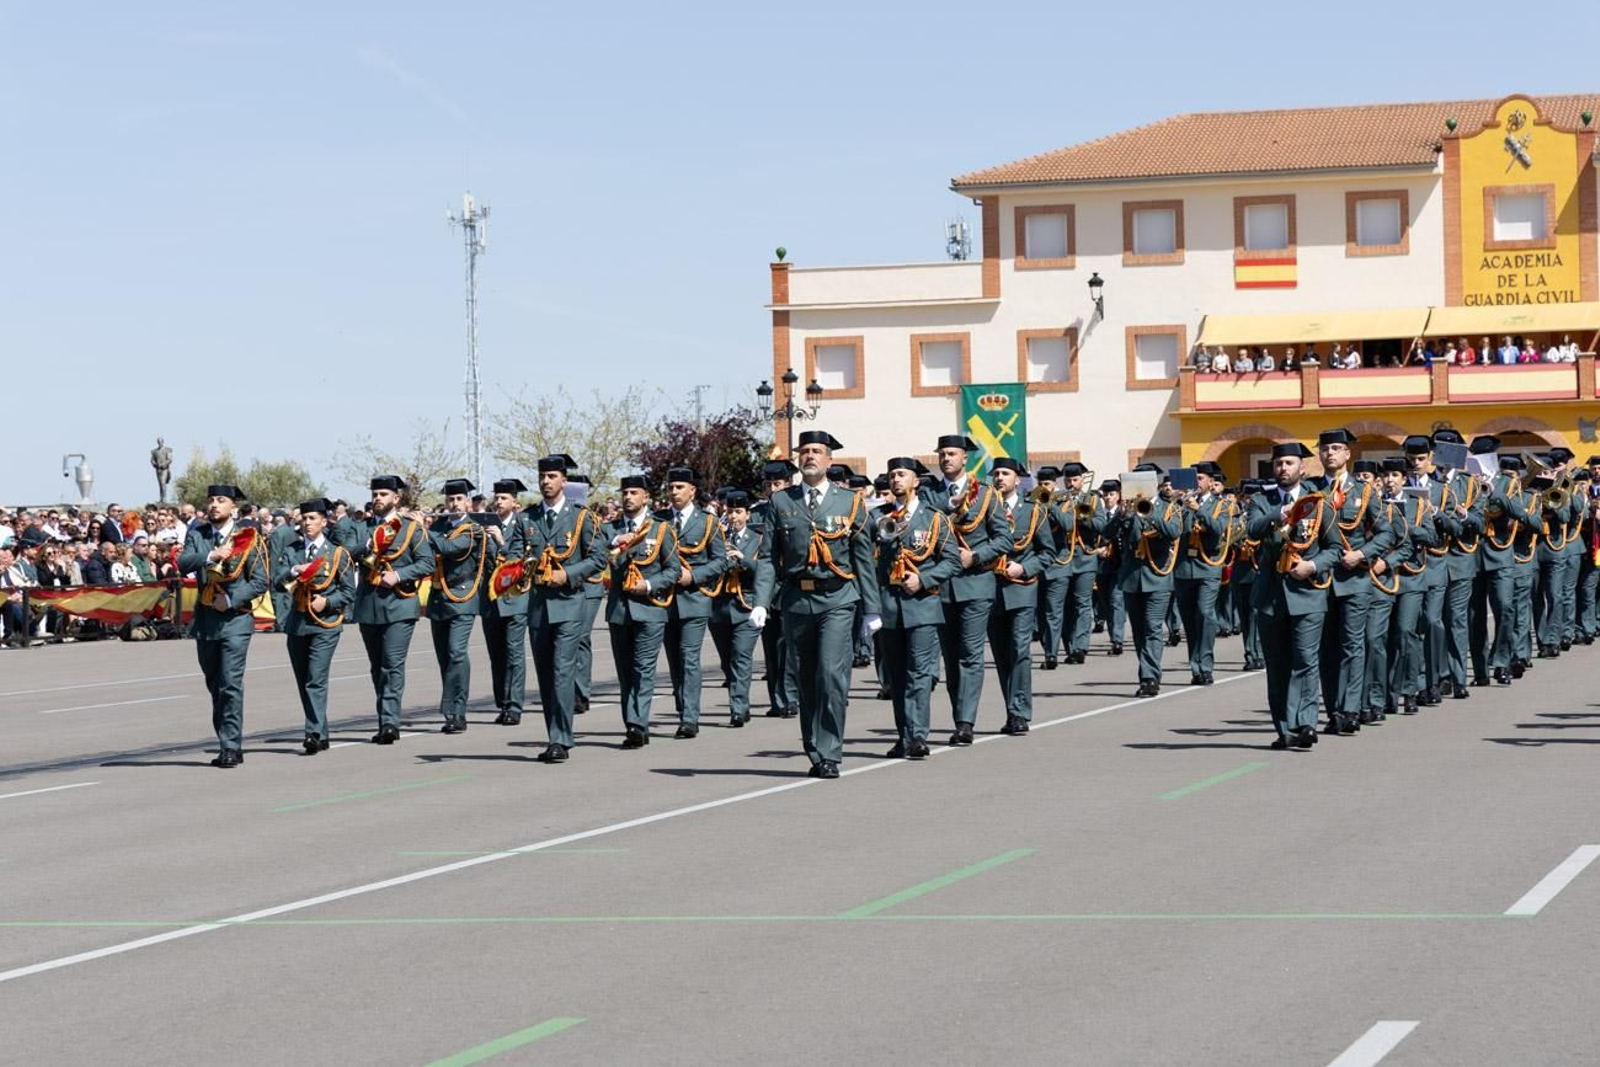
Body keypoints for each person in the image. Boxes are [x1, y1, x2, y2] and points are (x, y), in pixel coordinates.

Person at [753, 430, 881, 778]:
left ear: (829, 460)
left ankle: (830, 752)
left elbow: (863, 559)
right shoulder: (781, 502)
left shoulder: (848, 502)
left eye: (817, 451)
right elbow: (767, 557)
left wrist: (872, 607)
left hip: (838, 597)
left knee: (830, 674)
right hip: (796, 599)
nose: (810, 456)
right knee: (806, 678)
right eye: (805, 451)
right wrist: (761, 601)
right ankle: (814, 747)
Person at [1249, 443, 1340, 749]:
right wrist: (1280, 513)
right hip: (1271, 597)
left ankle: (1306, 725)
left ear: (1302, 468)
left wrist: (1313, 565)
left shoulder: (1319, 503)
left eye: (1289, 463)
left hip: (1308, 594)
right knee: (1277, 665)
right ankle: (1285, 728)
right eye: (1278, 464)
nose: (1283, 469)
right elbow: (1252, 529)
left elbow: (1335, 548)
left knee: (1306, 660)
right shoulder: (1262, 501)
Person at [922, 434, 1009, 744]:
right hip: (941, 586)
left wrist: (976, 556)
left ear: (965, 459)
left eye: (952, 454)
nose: (946, 459)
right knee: (950, 655)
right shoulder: (928, 494)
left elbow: (1003, 539)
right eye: (942, 454)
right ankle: (960, 712)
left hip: (976, 585)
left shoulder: (985, 495)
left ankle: (965, 721)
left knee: (970, 655)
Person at [520, 457, 607, 761]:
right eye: (542, 476)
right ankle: (553, 734)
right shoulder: (527, 518)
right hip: (538, 607)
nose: (546, 481)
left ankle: (561, 739)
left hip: (570, 604)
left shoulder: (581, 517)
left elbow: (598, 558)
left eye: (552, 476)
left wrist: (567, 574)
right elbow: (512, 556)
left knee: (561, 670)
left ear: (563, 482)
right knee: (545, 675)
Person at [872, 458, 960, 758]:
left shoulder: (934, 518)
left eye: (902, 475)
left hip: (922, 605)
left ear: (916, 480)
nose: (895, 480)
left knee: (919, 674)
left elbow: (951, 561)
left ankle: (918, 736)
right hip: (889, 606)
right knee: (896, 676)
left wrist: (923, 579)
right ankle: (904, 735)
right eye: (891, 475)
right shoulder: (878, 517)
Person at [177, 484, 269, 768]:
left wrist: (230, 600)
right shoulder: (198, 535)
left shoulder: (248, 538)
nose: (214, 505)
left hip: (236, 620)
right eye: (211, 500)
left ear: (233, 508)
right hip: (206, 622)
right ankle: (230, 740)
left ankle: (229, 745)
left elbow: (260, 580)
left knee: (230, 684)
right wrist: (212, 555)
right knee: (215, 684)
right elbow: (183, 563)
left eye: (221, 500)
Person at [1312, 428, 1396, 735]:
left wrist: (1362, 553)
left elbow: (1387, 532)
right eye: (1325, 449)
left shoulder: (1364, 491)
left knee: (1353, 645)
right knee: (1326, 649)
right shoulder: (1311, 490)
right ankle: (1334, 708)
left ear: (1348, 454)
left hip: (1354, 578)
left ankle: (1349, 710)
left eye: (1336, 448)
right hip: (1320, 580)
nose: (1330, 453)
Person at [346, 475, 436, 745]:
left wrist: (399, 575)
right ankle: (384, 715)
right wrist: (367, 546)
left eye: (384, 494)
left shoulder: (410, 529)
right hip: (369, 604)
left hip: (399, 605)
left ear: (396, 499)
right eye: (375, 494)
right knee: (377, 667)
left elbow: (426, 564)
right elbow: (343, 553)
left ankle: (389, 723)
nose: (377, 499)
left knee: (392, 665)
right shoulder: (362, 528)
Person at [604, 474, 682, 749]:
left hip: (650, 608)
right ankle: (632, 722)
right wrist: (614, 545)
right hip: (619, 610)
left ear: (645, 497)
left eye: (634, 493)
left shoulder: (661, 529)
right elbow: (600, 561)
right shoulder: (610, 530)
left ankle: (638, 724)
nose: (628, 498)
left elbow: (673, 570)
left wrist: (650, 584)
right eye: (625, 493)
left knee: (643, 669)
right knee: (625, 672)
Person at [276, 498, 356, 754]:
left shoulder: (336, 553)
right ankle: (321, 733)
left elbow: (348, 592)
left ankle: (312, 732)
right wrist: (291, 572)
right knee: (304, 681)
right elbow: (276, 580)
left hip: (325, 625)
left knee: (315, 679)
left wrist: (328, 601)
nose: (307, 523)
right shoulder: (293, 551)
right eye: (304, 518)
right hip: (298, 624)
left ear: (324, 521)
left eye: (313, 518)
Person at [659, 465, 730, 740]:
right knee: (674, 660)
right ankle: (682, 708)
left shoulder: (707, 522)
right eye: (671, 487)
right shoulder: (659, 520)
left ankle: (690, 718)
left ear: (692, 491)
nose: (674, 492)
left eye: (679, 487)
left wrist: (694, 576)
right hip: (664, 601)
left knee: (689, 658)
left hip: (694, 599)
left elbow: (721, 561)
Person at [986, 458, 1054, 734]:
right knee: (1002, 654)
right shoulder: (984, 509)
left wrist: (1024, 567)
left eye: (1005, 474)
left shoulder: (1033, 511)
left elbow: (1048, 552)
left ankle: (1019, 712)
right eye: (996, 474)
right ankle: (1011, 709)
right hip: (989, 589)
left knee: (1019, 650)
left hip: (1022, 589)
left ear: (1018, 480)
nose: (1000, 478)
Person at [1113, 463, 1182, 697]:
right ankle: (1147, 672)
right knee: (1140, 631)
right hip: (1133, 577)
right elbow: (1109, 532)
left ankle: (1150, 677)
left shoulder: (1168, 507)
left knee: (1153, 628)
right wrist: (1123, 515)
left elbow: (1174, 532)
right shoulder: (1128, 508)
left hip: (1158, 576)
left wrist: (1150, 514)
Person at [428, 479, 490, 734]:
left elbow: (451, 548)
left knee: (456, 653)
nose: (454, 504)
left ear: (467, 502)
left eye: (458, 499)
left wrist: (419, 531)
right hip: (439, 598)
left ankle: (457, 711)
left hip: (462, 597)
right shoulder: (439, 525)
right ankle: (450, 709)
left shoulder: (473, 528)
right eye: (450, 500)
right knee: (445, 658)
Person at [708, 489, 762, 727]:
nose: (733, 517)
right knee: (727, 660)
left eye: (738, 512)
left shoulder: (758, 538)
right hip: (719, 606)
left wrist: (743, 559)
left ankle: (738, 708)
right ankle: (738, 698)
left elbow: (766, 571)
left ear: (748, 514)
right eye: (729, 512)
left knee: (741, 656)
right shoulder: (717, 536)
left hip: (745, 605)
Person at [1174, 462, 1231, 686]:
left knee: (1206, 614)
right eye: (1194, 478)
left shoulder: (1221, 505)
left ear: (1209, 481)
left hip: (1208, 567)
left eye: (1200, 479)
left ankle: (1205, 665)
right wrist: (1178, 504)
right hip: (1183, 568)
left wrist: (1198, 509)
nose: (1197, 483)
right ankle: (1195, 666)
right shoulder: (1180, 505)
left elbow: (1218, 529)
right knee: (1189, 619)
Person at [1044, 462, 1105, 667]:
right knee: (1061, 606)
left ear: (1082, 479)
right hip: (1062, 558)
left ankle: (1080, 647)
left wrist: (1082, 515)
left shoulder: (1093, 498)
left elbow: (1100, 525)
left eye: (1075, 480)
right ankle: (1061, 650)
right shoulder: (1058, 499)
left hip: (1085, 557)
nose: (1071, 484)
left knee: (1082, 603)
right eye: (1068, 480)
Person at [481, 478, 531, 725]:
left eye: (503, 499)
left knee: (514, 653)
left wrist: (501, 542)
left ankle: (514, 706)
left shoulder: (522, 526)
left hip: (514, 599)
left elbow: (521, 561)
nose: (498, 502)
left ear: (515, 503)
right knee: (496, 655)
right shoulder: (486, 526)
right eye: (496, 498)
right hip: (490, 601)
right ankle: (502, 703)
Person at [752, 460, 800, 718]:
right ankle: (777, 699)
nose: (772, 489)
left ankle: (791, 697)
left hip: (789, 586)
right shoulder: (756, 513)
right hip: (766, 589)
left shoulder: (795, 508)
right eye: (768, 484)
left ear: (788, 484)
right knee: (771, 649)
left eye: (777, 484)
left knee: (790, 648)